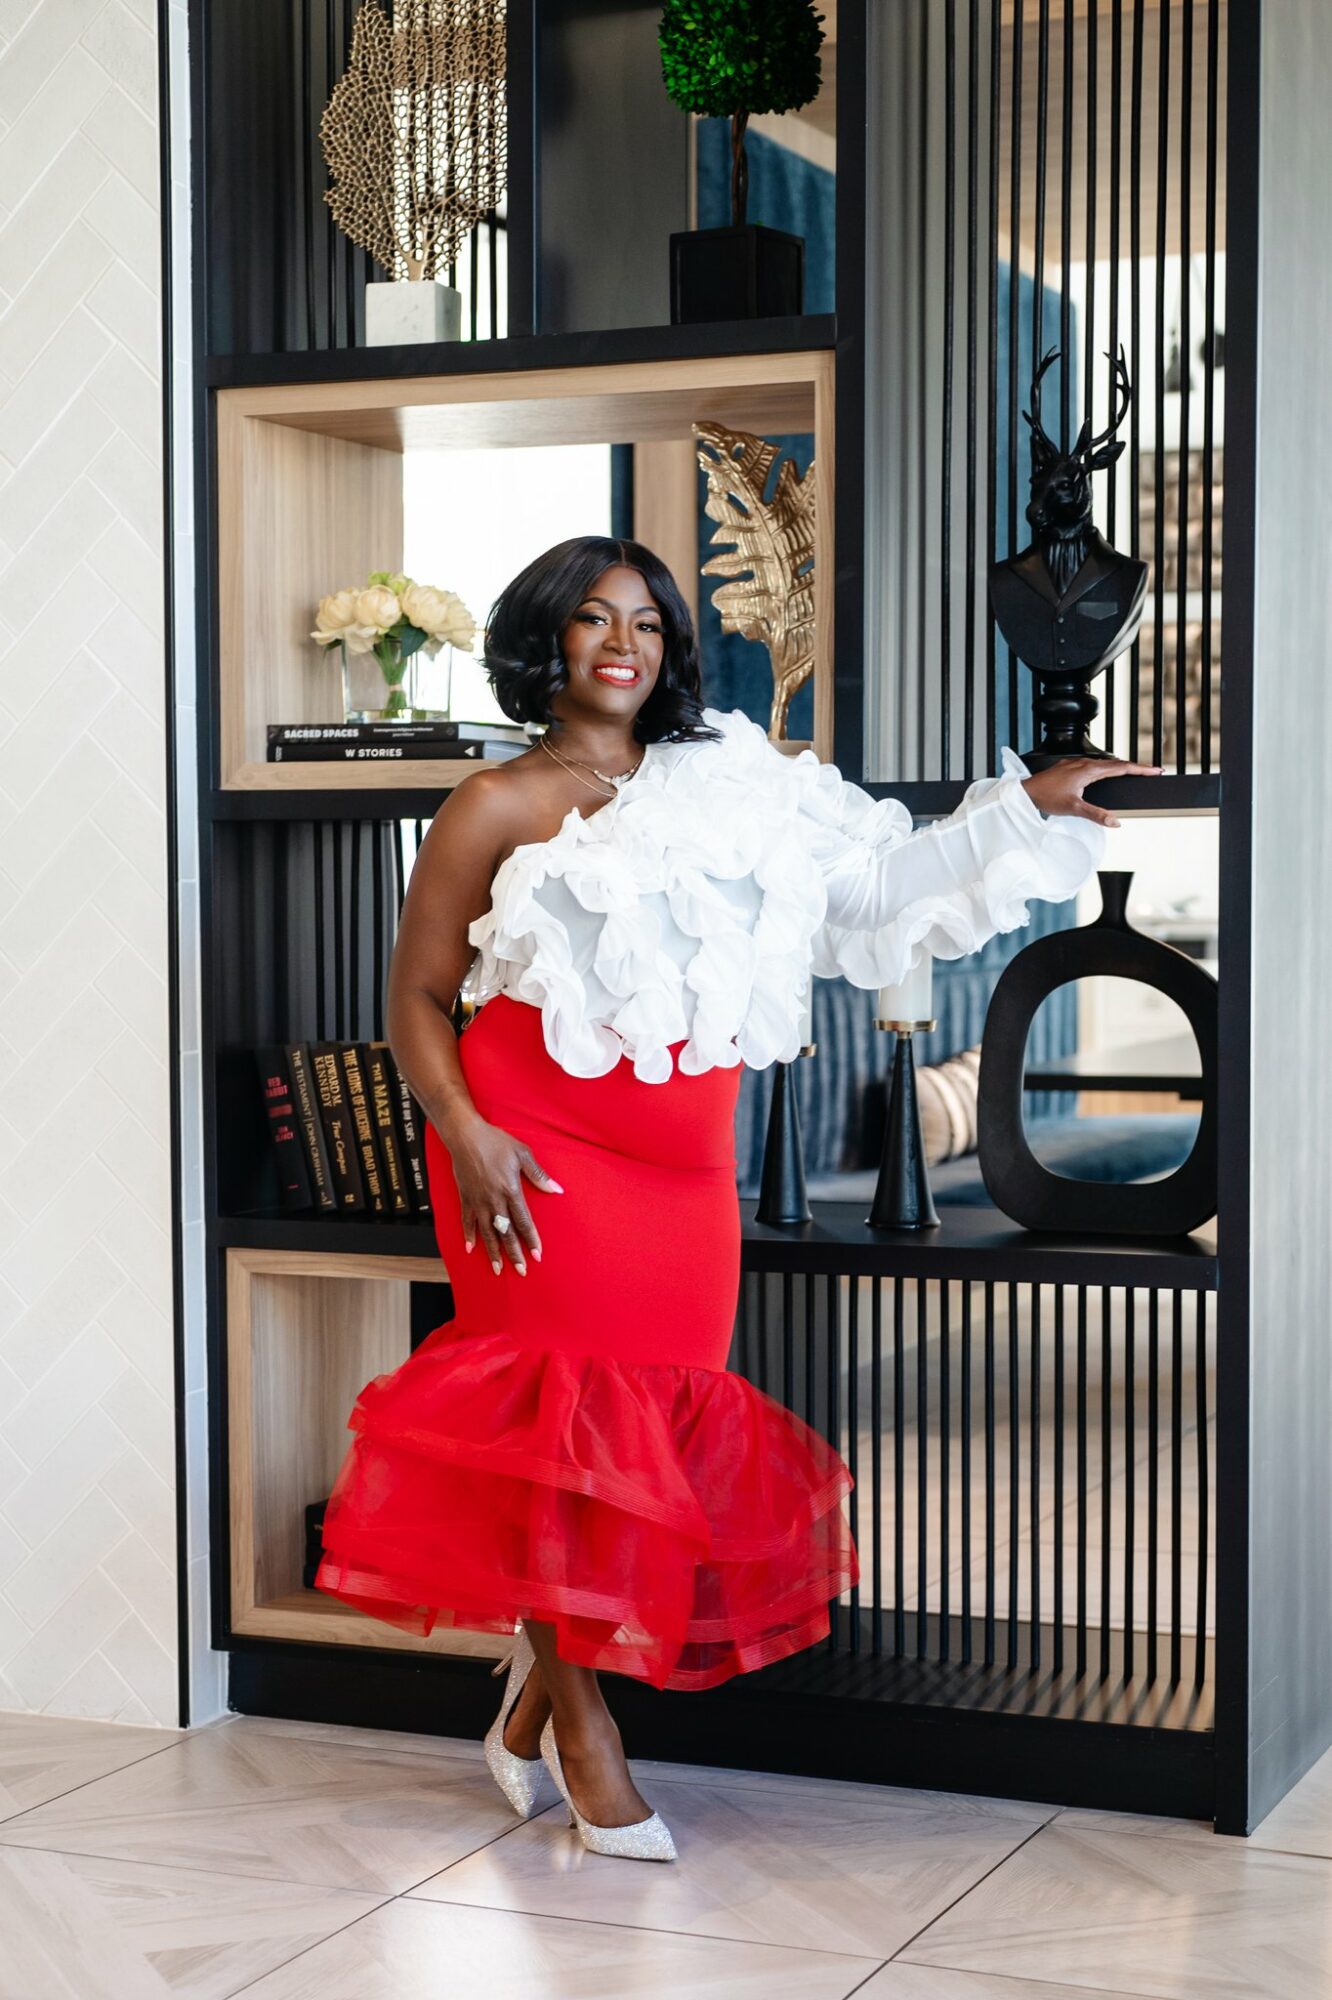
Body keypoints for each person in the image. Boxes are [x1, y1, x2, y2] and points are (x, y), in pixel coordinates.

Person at [315, 533, 1157, 1861]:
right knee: (555, 1438)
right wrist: (466, 1133)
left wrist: (1025, 810)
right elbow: (415, 1000)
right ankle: (587, 1727)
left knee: (647, 1443)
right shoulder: (494, 804)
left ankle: (530, 1700)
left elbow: (876, 890)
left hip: (681, 1169)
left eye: (646, 622)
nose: (621, 644)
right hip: (528, 1148)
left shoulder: (739, 788)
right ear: (547, 641)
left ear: (672, 648)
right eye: (592, 620)